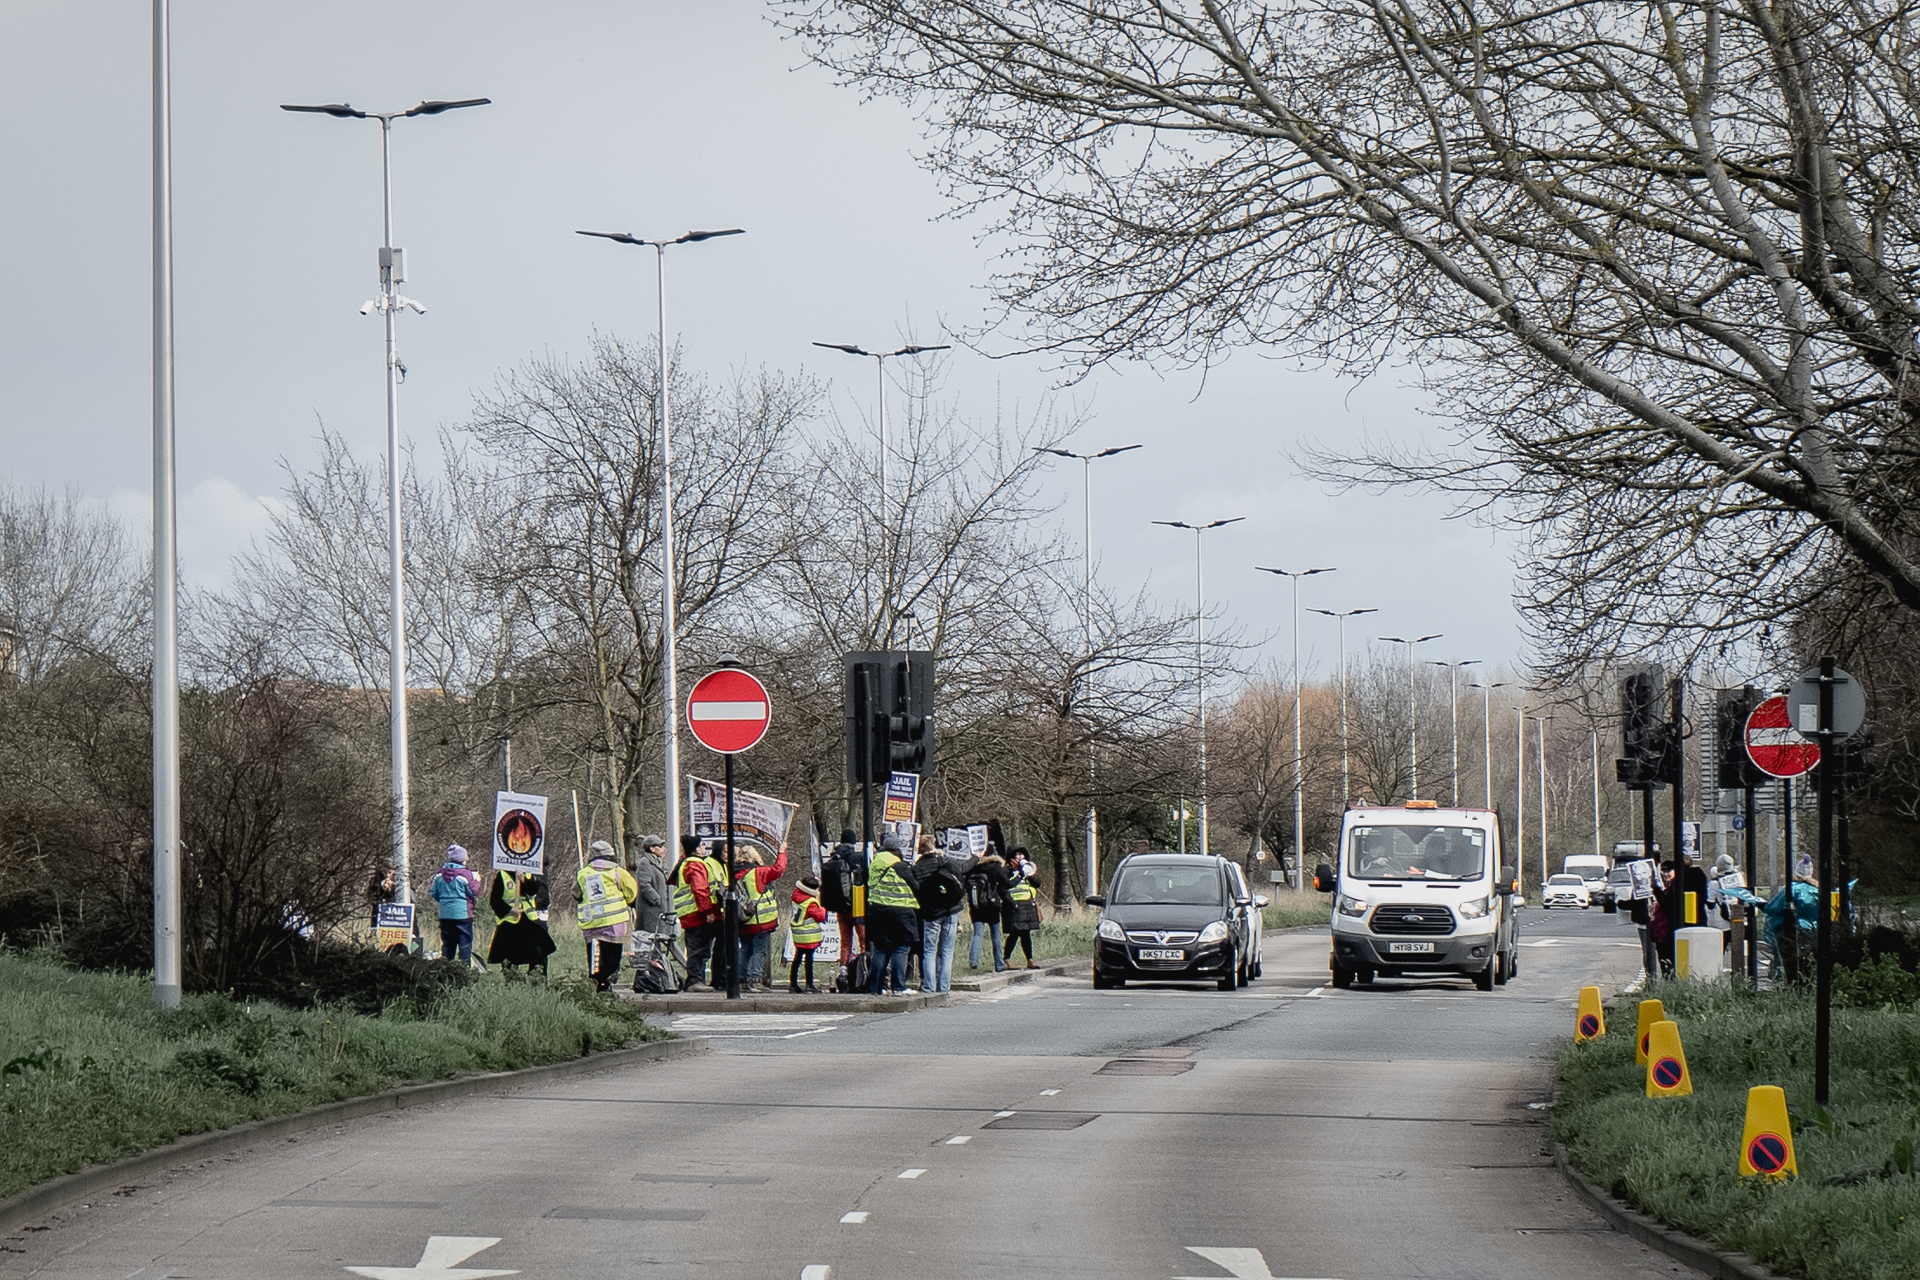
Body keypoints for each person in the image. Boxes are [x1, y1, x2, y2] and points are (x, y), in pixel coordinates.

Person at [576, 840, 639, 992]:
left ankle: (597, 982)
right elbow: (632, 892)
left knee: (595, 954)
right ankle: (608, 983)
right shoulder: (618, 872)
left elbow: (576, 893)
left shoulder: (583, 873)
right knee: (612, 954)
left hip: (591, 922)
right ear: (611, 855)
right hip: (613, 922)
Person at [865, 833, 921, 995]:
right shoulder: (899, 866)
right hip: (900, 911)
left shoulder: (875, 863)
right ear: (896, 848)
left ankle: (875, 987)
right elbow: (915, 886)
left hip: (877, 910)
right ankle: (898, 986)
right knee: (901, 948)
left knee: (881, 949)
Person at [672, 835, 728, 992]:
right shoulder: (695, 865)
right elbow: (700, 889)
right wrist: (708, 911)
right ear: (696, 849)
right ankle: (695, 980)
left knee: (699, 947)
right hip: (697, 914)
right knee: (698, 948)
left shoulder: (688, 864)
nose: (705, 848)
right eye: (702, 845)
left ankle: (697, 979)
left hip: (692, 913)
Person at [914, 834, 969, 993]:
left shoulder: (917, 868)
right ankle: (944, 987)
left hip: (931, 913)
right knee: (947, 950)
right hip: (951, 909)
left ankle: (929, 986)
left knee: (929, 951)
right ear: (934, 845)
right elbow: (963, 868)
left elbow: (916, 891)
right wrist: (976, 857)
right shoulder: (944, 861)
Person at [734, 843, 790, 991]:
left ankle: (741, 980)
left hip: (742, 918)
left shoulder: (734, 873)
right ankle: (755, 979)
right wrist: (781, 853)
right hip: (759, 919)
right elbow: (778, 870)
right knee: (759, 950)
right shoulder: (758, 872)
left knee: (745, 949)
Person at [486, 867, 556, 977]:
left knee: (538, 952)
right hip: (509, 923)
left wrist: (523, 880)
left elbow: (533, 890)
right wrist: (509, 910)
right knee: (509, 955)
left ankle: (537, 981)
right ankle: (512, 982)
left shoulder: (527, 874)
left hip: (529, 920)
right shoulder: (502, 875)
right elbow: (494, 900)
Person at [820, 828, 867, 987]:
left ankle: (843, 972)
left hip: (840, 907)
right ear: (854, 842)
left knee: (845, 942)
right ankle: (863, 972)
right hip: (857, 906)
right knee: (863, 940)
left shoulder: (833, 858)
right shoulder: (858, 857)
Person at [428, 845, 483, 968]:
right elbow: (473, 891)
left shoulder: (439, 874)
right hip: (462, 914)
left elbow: (433, 892)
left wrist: (443, 901)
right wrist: (477, 881)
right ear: (463, 858)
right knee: (464, 944)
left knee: (447, 943)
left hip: (445, 913)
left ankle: (445, 969)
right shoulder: (466, 874)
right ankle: (463, 971)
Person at [966, 846, 1010, 971]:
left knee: (977, 934)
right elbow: (1006, 884)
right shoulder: (996, 867)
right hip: (992, 906)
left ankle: (973, 961)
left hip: (976, 906)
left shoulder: (973, 867)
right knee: (996, 935)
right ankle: (999, 963)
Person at [1003, 846, 1043, 969]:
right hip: (1014, 906)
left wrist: (1030, 874)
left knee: (1026, 933)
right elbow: (1005, 886)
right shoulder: (1006, 871)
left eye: (1022, 856)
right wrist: (1018, 874)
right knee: (1015, 933)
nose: (1020, 858)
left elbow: (1037, 884)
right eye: (1017, 856)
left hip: (1027, 905)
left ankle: (1030, 960)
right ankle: (1007, 959)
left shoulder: (1028, 871)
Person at [789, 874, 828, 993]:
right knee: (809, 960)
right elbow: (820, 916)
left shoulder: (796, 895)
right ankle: (809, 984)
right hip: (808, 936)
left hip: (798, 933)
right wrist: (823, 909)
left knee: (797, 959)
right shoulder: (810, 901)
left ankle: (793, 984)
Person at [633, 834, 675, 939]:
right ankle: (653, 956)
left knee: (659, 938)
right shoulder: (645, 862)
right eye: (660, 846)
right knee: (652, 939)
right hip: (651, 910)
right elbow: (643, 884)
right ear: (652, 848)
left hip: (659, 910)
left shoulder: (657, 862)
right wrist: (656, 899)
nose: (663, 849)